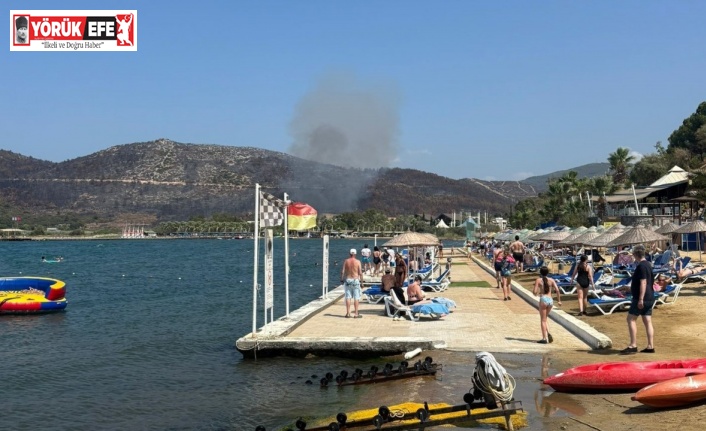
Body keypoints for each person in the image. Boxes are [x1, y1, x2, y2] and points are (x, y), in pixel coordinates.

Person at [621, 245, 655, 354]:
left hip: (642, 298)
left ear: (636, 255)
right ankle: (650, 346)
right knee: (647, 321)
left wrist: (640, 299)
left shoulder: (641, 266)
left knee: (631, 319)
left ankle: (633, 345)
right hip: (650, 297)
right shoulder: (648, 265)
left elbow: (643, 282)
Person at [533, 266, 562, 344]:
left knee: (542, 320)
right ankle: (548, 333)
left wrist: (536, 292)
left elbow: (534, 292)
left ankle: (544, 338)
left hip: (543, 299)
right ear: (548, 272)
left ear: (540, 272)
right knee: (545, 318)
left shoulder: (538, 280)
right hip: (550, 300)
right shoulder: (551, 280)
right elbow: (557, 290)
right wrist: (559, 300)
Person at [340, 248, 363, 318]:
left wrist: (341, 279)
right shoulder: (358, 261)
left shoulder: (346, 261)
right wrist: (362, 282)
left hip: (348, 280)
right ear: (355, 254)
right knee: (356, 297)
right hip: (355, 280)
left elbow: (342, 271)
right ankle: (356, 314)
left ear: (350, 254)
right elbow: (360, 273)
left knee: (348, 297)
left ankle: (348, 313)